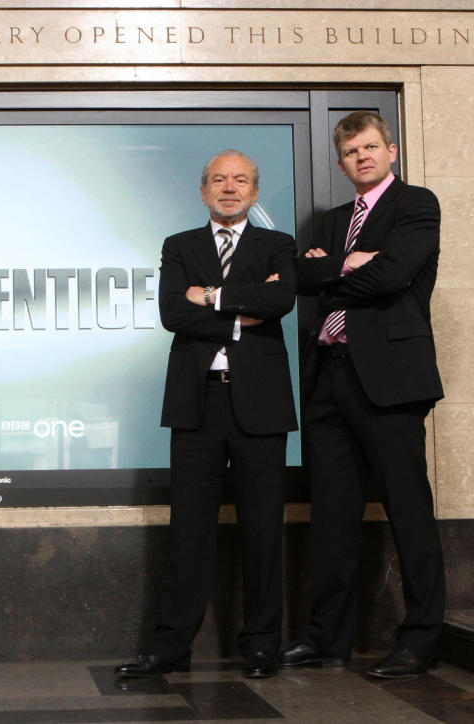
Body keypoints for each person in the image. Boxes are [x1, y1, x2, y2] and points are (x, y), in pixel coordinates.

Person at [116, 150, 298, 680]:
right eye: (218, 180)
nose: (229, 188)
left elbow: (280, 300)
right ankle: (171, 648)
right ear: (203, 192)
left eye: (240, 180)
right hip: (197, 404)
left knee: (263, 529)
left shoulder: (278, 245)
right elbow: (174, 313)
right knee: (188, 531)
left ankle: (262, 645)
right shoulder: (180, 246)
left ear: (255, 193)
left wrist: (211, 297)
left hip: (260, 405)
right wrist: (243, 312)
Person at [283, 110, 444, 678]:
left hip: (391, 381)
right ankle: (327, 638)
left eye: (372, 147)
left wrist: (340, 269)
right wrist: (346, 264)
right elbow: (302, 280)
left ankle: (421, 640)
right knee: (332, 516)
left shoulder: (416, 205)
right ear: (341, 162)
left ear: (391, 151)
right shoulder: (330, 222)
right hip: (329, 375)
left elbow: (392, 276)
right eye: (352, 153)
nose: (363, 158)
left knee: (409, 511)